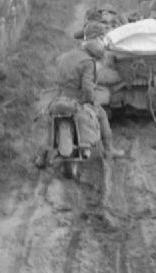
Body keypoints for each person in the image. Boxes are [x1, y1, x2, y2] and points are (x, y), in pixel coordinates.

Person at [36, 23, 123, 168]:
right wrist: (91, 101)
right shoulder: (88, 62)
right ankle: (109, 151)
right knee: (101, 114)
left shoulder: (64, 56)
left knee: (49, 120)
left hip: (58, 96)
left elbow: (57, 78)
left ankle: (41, 157)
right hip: (75, 98)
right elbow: (87, 87)